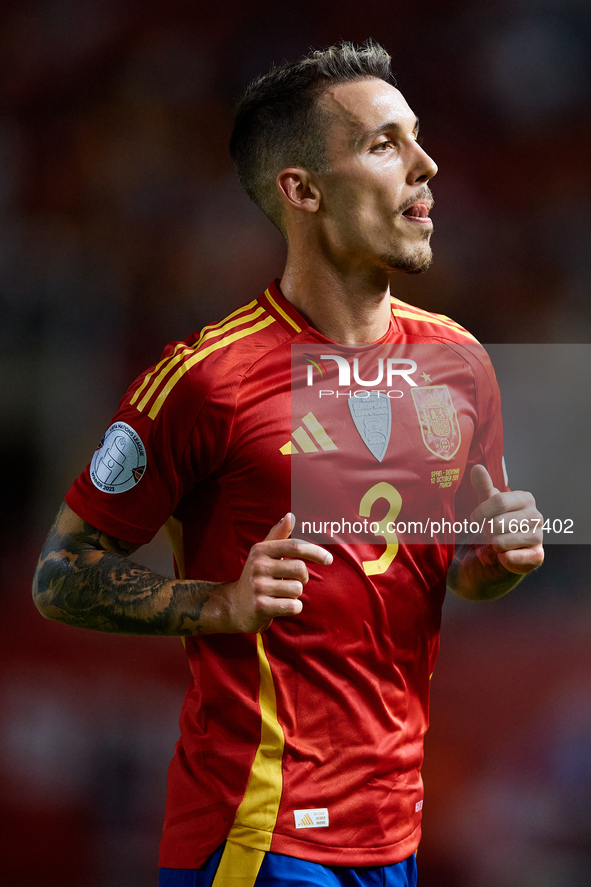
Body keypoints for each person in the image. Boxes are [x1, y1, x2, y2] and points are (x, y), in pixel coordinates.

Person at [32, 40, 544, 887]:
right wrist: (219, 601)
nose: (426, 163)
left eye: (415, 137)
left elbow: (455, 573)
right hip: (260, 836)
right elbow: (61, 573)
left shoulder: (457, 362)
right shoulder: (205, 379)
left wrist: (493, 562)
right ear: (301, 190)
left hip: (394, 834)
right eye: (384, 145)